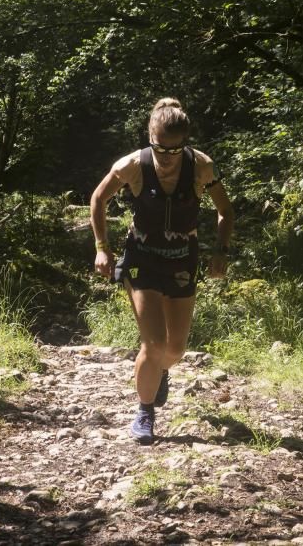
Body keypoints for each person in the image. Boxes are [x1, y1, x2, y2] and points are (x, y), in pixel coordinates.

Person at [90, 97, 234, 444]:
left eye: (175, 150)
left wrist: (221, 252)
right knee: (153, 343)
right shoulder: (132, 165)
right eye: (161, 150)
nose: (168, 159)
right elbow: (98, 199)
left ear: (185, 143)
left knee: (175, 350)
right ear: (150, 137)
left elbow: (226, 211)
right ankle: (145, 411)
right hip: (142, 259)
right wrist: (101, 248)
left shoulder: (201, 167)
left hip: (183, 259)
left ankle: (159, 371)